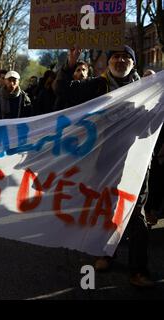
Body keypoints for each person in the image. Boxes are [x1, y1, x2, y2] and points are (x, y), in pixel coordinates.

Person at [54, 45, 154, 288]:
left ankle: (138, 270)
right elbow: (63, 91)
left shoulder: (147, 88)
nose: (120, 60)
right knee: (107, 209)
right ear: (108, 63)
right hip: (105, 159)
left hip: (136, 160)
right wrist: (69, 63)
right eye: (115, 57)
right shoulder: (96, 86)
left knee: (136, 216)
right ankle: (105, 254)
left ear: (133, 62)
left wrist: (157, 86)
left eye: (126, 57)